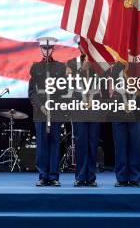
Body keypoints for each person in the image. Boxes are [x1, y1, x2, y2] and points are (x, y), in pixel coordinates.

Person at [29, 36, 66, 187]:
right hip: (40, 112)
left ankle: (54, 176)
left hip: (55, 111)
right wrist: (41, 106)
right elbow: (32, 92)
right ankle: (43, 175)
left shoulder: (60, 67)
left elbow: (64, 90)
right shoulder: (35, 67)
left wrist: (54, 103)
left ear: (53, 49)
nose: (46, 50)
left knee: (55, 145)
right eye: (44, 47)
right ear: (40, 49)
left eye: (49, 47)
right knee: (42, 145)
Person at [66, 36, 100, 187]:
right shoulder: (72, 63)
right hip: (79, 106)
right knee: (80, 142)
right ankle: (80, 176)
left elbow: (105, 82)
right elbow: (67, 83)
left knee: (92, 142)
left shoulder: (99, 62)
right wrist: (81, 70)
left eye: (87, 45)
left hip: (94, 106)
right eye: (82, 45)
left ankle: (91, 177)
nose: (84, 47)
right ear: (79, 46)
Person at [111, 55, 140, 188]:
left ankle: (135, 178)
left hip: (136, 112)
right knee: (120, 145)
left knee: (135, 146)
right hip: (119, 111)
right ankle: (121, 178)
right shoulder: (115, 68)